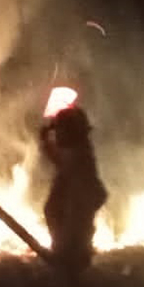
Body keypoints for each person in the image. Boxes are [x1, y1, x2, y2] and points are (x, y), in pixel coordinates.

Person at [39, 106, 108, 274]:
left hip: (76, 216)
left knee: (74, 234)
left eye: (60, 130)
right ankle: (70, 260)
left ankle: (71, 263)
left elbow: (92, 195)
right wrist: (46, 140)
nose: (58, 135)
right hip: (73, 222)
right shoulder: (76, 154)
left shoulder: (78, 157)